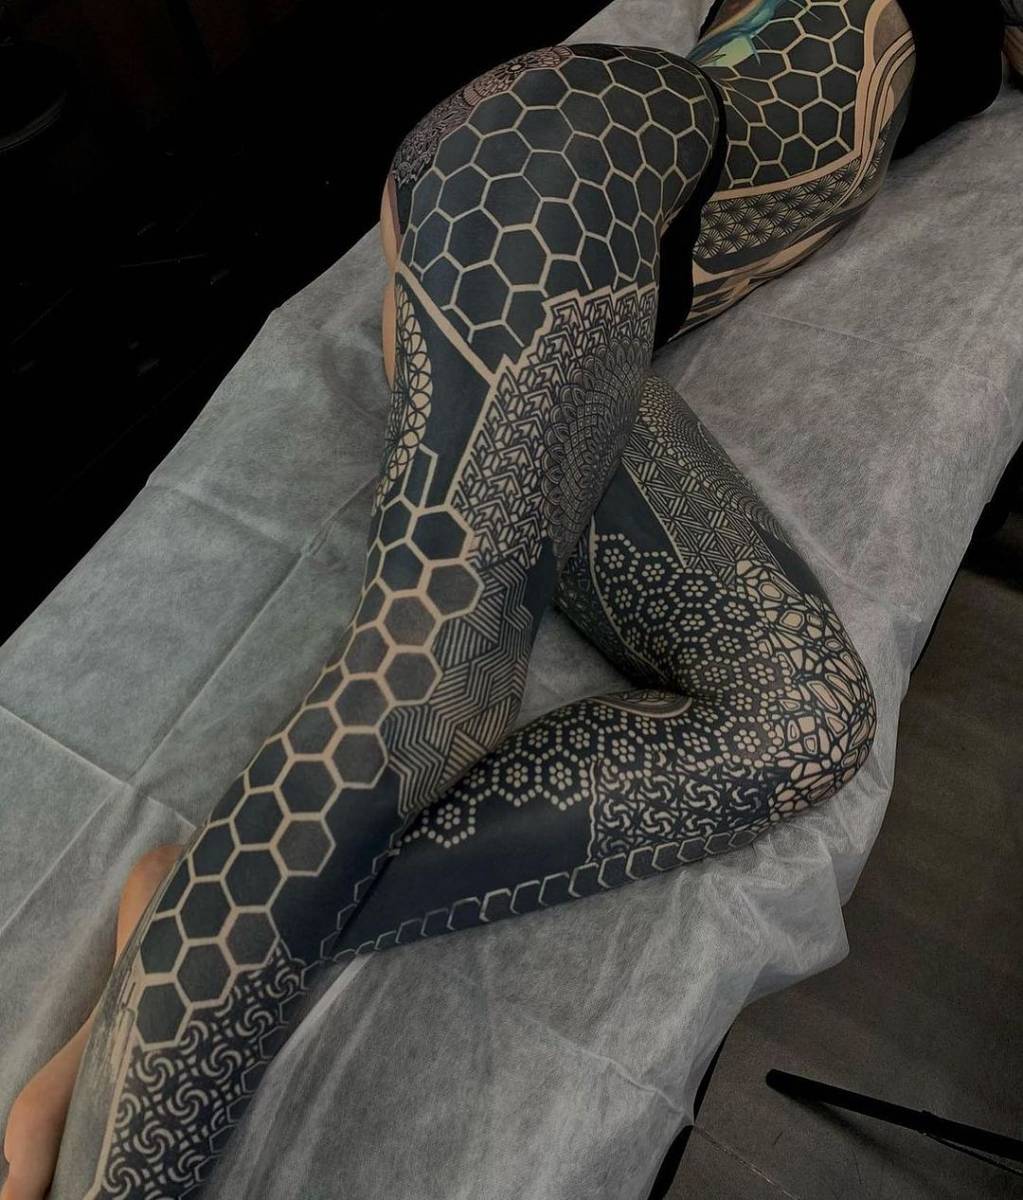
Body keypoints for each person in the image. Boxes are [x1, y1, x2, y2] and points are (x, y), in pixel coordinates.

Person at [2, 2, 1012, 1196]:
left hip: (609, 313)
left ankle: (196, 922)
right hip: (551, 185)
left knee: (805, 719)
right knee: (436, 691)